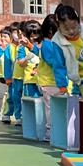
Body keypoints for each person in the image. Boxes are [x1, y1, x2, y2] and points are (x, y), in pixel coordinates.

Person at [50, 5, 83, 98]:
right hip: (77, 82)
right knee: (75, 105)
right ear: (58, 26)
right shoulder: (57, 41)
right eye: (66, 29)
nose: (71, 31)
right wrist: (62, 86)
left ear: (78, 22)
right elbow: (58, 66)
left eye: (74, 27)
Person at [37, 14, 58, 142]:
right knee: (50, 108)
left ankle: (53, 131)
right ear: (51, 31)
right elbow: (52, 62)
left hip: (52, 82)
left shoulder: (49, 43)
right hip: (49, 82)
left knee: (53, 107)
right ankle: (49, 132)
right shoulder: (48, 44)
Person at [17, 20, 42, 98]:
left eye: (36, 35)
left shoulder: (43, 46)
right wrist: (27, 58)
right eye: (31, 36)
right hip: (30, 81)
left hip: (43, 81)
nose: (34, 38)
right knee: (30, 102)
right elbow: (21, 63)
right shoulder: (23, 48)